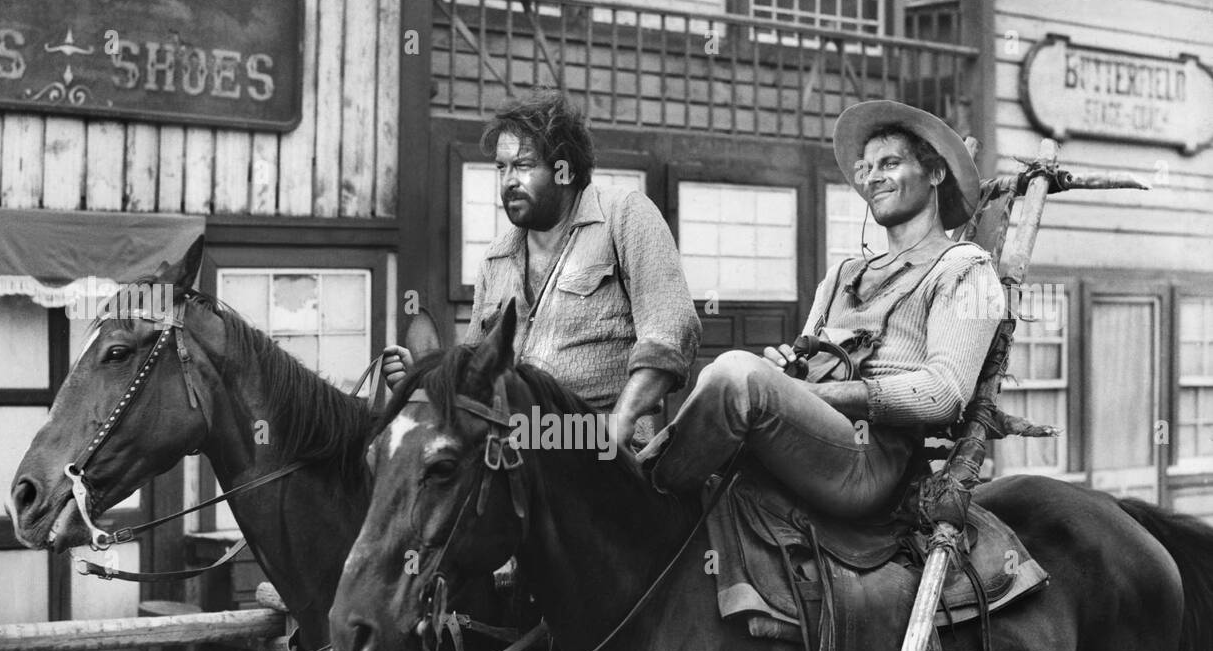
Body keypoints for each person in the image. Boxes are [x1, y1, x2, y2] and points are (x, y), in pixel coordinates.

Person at [639, 99, 1004, 519]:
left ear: (936, 172)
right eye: (867, 169)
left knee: (735, 374)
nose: (873, 179)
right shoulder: (842, 275)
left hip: (871, 462)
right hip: (814, 441)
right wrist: (788, 371)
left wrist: (808, 393)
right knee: (733, 373)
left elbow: (944, 395)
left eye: (890, 163)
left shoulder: (966, 268)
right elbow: (805, 366)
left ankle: (642, 491)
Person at [383, 89, 700, 448]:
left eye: (523, 165)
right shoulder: (496, 258)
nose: (508, 181)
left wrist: (619, 423)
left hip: (598, 447)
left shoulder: (623, 215)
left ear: (564, 168)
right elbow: (475, 374)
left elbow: (671, 330)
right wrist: (425, 383)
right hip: (514, 448)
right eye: (501, 168)